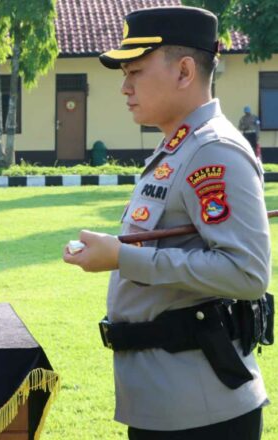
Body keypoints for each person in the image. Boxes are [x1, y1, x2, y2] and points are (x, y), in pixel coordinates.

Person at [63, 7, 269, 439]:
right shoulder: (178, 148)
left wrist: (123, 258)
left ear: (184, 72)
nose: (124, 87)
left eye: (135, 72)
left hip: (202, 408)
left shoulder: (214, 151)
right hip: (168, 398)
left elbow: (247, 273)